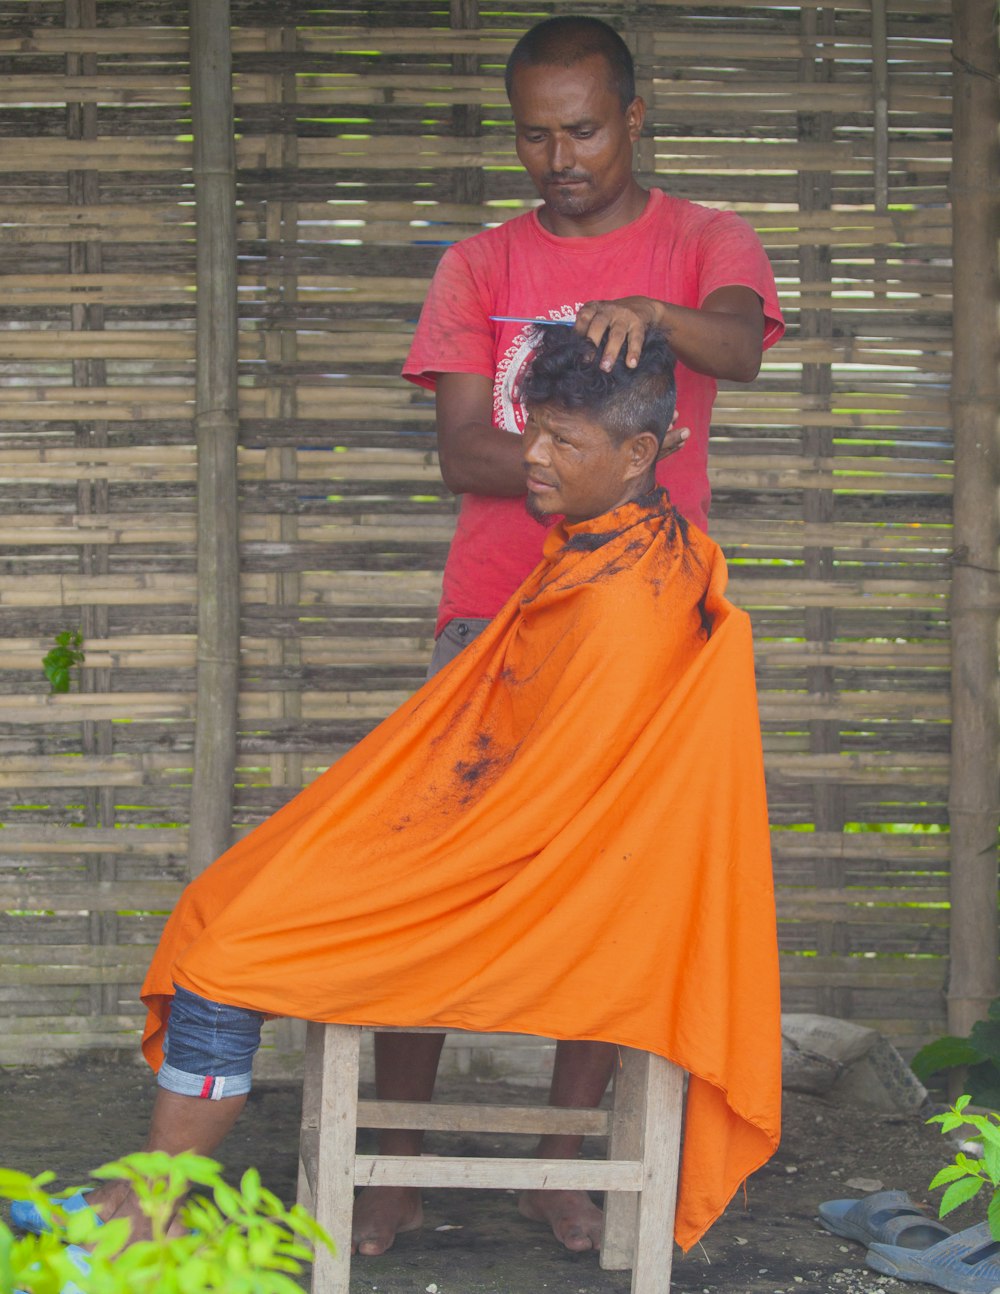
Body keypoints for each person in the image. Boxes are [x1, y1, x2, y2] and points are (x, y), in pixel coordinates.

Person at [15, 327, 781, 1272]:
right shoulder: (619, 550)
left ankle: (149, 1206)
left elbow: (549, 813)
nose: (531, 457)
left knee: (227, 950)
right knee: (227, 896)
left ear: (637, 455)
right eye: (531, 430)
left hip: (535, 901)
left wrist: (402, 857)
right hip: (504, 858)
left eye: (562, 442)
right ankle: (150, 1190)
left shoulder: (629, 598)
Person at [364, 11, 785, 1257]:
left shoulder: (703, 239)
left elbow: (744, 345)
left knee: (610, 889)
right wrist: (589, 464)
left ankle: (564, 1161)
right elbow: (461, 449)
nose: (560, 158)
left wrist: (648, 312)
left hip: (642, 627)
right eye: (536, 136)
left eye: (584, 130)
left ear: (635, 117)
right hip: (489, 619)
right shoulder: (479, 266)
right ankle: (393, 1159)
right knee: (427, 884)